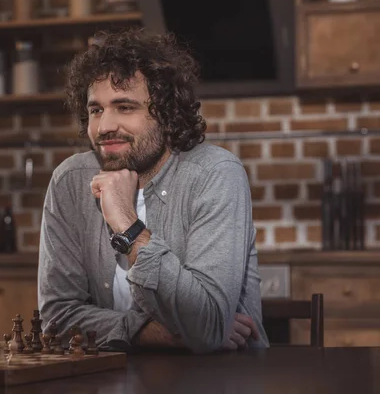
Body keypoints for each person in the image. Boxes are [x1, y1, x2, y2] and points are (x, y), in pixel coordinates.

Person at [38, 29, 269, 353]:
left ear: (165, 112)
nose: (104, 126)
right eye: (96, 110)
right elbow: (57, 319)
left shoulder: (214, 174)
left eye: (125, 107)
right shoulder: (70, 181)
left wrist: (128, 226)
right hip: (111, 379)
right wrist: (155, 333)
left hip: (217, 379)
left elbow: (207, 323)